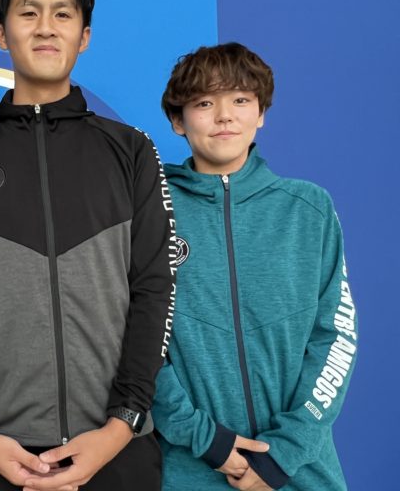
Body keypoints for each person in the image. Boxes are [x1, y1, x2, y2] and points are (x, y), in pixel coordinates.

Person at [0, 0, 174, 491]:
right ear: (1, 34)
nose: (45, 27)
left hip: (117, 449)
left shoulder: (131, 151)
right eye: (28, 12)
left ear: (84, 36)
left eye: (62, 13)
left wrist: (121, 426)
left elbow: (155, 289)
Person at [151, 42, 357, 491]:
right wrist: (204, 439)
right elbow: (134, 339)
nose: (225, 116)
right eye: (204, 103)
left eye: (241, 100)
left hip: (300, 470)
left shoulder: (309, 209)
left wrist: (285, 451)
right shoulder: (150, 208)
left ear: (261, 113)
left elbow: (336, 337)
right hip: (188, 470)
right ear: (178, 120)